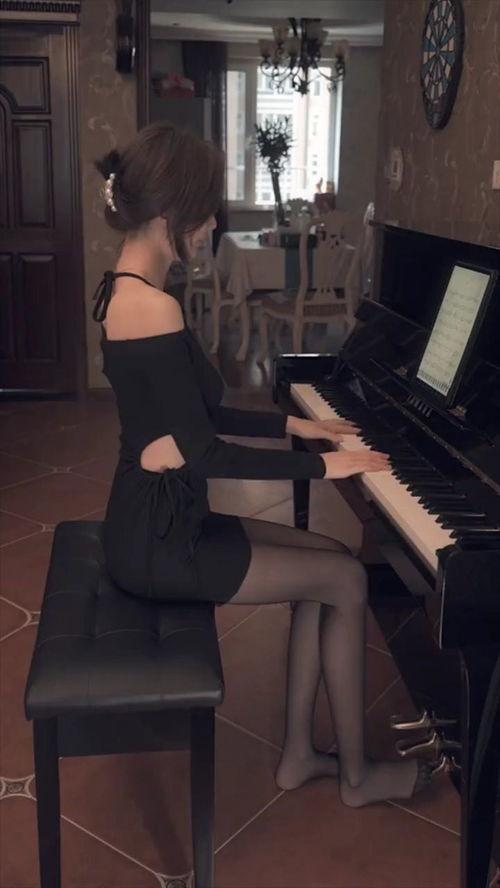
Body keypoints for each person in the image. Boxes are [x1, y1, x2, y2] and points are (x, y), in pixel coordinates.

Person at [93, 122, 431, 807]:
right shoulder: (151, 307)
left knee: (331, 561)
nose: (213, 224)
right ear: (169, 214)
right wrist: (326, 470)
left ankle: (302, 756)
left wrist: (297, 425)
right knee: (345, 579)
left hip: (160, 517)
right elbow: (206, 453)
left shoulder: (125, 290)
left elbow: (194, 421)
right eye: (205, 211)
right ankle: (356, 777)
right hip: (162, 541)